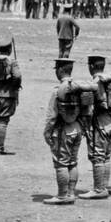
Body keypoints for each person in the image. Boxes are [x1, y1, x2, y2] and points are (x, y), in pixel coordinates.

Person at [42, 58, 83, 205]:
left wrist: (47, 133)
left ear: (60, 70)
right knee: (73, 162)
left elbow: (52, 116)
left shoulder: (57, 90)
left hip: (62, 130)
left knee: (61, 163)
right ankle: (71, 193)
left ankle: (62, 195)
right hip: (77, 128)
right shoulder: (79, 87)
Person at [0, 39, 23, 154]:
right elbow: (17, 76)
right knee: (3, 121)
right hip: (7, 95)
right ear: (10, 49)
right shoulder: (12, 61)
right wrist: (14, 87)